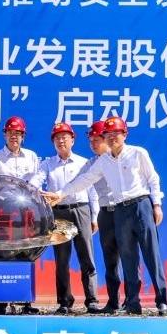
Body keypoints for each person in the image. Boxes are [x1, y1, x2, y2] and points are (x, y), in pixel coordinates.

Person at [44, 117, 167, 316]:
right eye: (107, 135)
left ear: (125, 134)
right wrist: (60, 194)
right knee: (128, 259)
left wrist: (157, 205)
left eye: (115, 134)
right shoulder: (103, 162)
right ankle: (132, 304)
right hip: (120, 211)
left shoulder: (138, 153)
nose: (111, 138)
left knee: (151, 255)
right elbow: (84, 180)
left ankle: (162, 301)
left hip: (141, 205)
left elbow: (153, 179)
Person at [30, 122, 101, 314]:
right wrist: (34, 191)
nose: (61, 141)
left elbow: (93, 192)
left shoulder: (83, 163)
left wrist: (94, 216)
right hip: (58, 213)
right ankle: (64, 301)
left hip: (81, 210)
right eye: (57, 138)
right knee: (61, 259)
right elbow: (36, 182)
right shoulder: (47, 164)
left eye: (64, 137)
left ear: (72, 140)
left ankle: (92, 300)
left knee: (86, 256)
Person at [0, 116, 41, 315]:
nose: (14, 137)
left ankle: (24, 300)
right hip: (3, 213)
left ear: (23, 136)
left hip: (26, 213)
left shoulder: (32, 157)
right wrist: (12, 186)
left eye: (17, 133)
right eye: (10, 133)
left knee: (26, 253)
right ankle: (0, 301)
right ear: (4, 135)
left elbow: (36, 180)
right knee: (1, 254)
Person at [85, 120, 127, 314]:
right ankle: (113, 302)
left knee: (129, 258)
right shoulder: (91, 164)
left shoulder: (119, 158)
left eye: (97, 139)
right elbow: (79, 183)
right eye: (90, 141)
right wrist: (59, 194)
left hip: (123, 211)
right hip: (105, 214)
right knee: (110, 261)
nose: (93, 144)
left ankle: (132, 300)